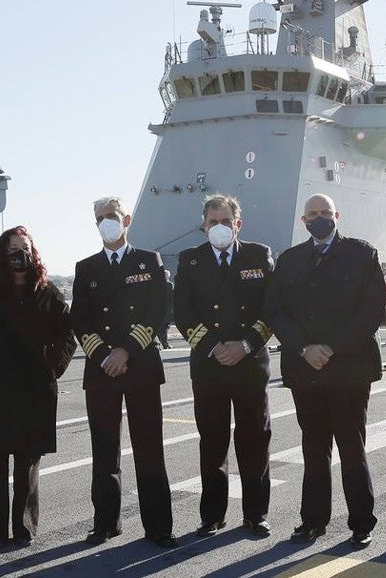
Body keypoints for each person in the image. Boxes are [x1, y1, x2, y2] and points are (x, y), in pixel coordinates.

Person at [265, 193, 385, 549]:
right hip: (306, 368)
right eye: (313, 214)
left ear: (338, 215)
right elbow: (276, 310)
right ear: (304, 221)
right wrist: (304, 347)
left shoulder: (363, 254)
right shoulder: (289, 260)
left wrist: (330, 347)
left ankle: (362, 522)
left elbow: (371, 309)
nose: (319, 219)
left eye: (326, 213)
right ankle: (313, 521)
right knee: (314, 447)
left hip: (348, 368)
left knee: (352, 445)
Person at [0, 227, 76, 549]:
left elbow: (67, 335)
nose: (19, 255)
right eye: (12, 250)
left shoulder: (47, 292)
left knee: (27, 465)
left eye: (24, 248)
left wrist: (54, 366)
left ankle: (23, 528)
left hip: (33, 390)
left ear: (33, 252)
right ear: (0, 256)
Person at [71, 196, 176, 548]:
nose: (106, 222)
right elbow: (80, 318)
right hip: (102, 370)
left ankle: (159, 526)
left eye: (112, 216)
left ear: (126, 219)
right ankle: (105, 523)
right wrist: (104, 354)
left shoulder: (149, 261)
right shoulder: (85, 268)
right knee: (104, 450)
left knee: (149, 448)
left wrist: (125, 350)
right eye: (100, 218)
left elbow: (158, 309)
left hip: (140, 364)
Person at [174, 195, 275, 538]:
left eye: (225, 221)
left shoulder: (258, 255)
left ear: (238, 224)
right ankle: (212, 516)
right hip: (210, 366)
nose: (219, 227)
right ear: (204, 225)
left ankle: (256, 514)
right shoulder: (190, 261)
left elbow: (271, 309)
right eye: (213, 222)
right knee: (212, 442)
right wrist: (213, 347)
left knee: (254, 441)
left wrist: (245, 345)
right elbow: (183, 313)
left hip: (249, 365)